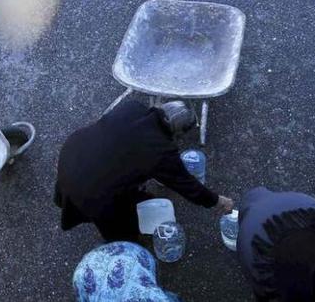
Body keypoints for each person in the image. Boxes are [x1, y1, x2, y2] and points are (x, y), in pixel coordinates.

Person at [54, 100, 234, 242]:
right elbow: (188, 186)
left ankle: (127, 198)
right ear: (177, 133)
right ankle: (122, 247)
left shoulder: (133, 107)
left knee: (116, 169)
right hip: (89, 189)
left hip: (73, 153)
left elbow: (124, 149)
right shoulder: (159, 151)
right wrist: (218, 201)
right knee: (121, 230)